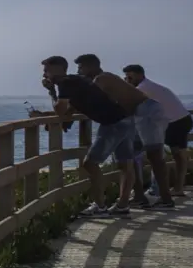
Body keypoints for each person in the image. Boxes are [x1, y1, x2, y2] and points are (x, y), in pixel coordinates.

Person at [34, 55, 137, 217]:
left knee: (90, 164)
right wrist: (66, 120)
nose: (44, 74)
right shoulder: (76, 80)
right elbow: (74, 106)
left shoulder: (65, 83)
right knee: (125, 164)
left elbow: (60, 110)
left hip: (113, 123)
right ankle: (122, 206)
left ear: (56, 69)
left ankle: (100, 206)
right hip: (125, 119)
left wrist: (51, 91)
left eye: (46, 70)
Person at [74, 54, 174, 209]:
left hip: (146, 111)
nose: (78, 71)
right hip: (138, 114)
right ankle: (139, 196)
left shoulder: (101, 79)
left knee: (154, 156)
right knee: (130, 156)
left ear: (91, 66)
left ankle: (166, 200)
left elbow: (89, 101)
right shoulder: (107, 79)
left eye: (81, 67)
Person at [123, 64, 193, 197]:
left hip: (174, 123)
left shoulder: (143, 88)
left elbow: (128, 104)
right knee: (178, 156)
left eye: (130, 77)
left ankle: (155, 190)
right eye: (126, 77)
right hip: (182, 119)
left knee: (155, 154)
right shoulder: (149, 86)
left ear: (140, 75)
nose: (128, 80)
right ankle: (177, 188)